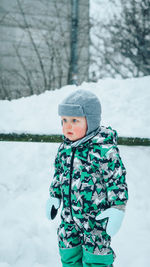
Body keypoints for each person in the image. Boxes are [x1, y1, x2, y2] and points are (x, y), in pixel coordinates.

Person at [46, 89, 128, 267]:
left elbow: (116, 181)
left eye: (74, 120)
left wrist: (117, 208)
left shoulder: (104, 150)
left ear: (90, 121)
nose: (67, 126)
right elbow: (59, 174)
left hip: (95, 221)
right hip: (68, 219)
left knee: (96, 260)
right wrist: (54, 195)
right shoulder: (65, 148)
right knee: (69, 256)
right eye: (64, 121)